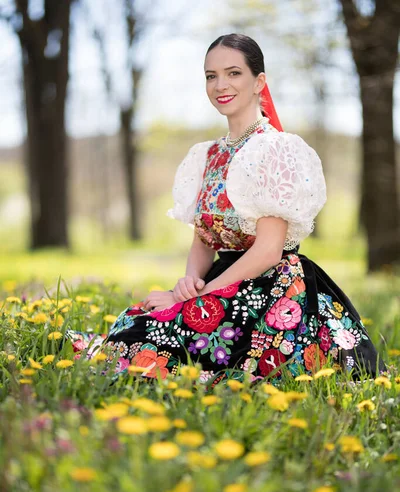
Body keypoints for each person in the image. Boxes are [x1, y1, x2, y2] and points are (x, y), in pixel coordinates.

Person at [65, 33, 385, 386]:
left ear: (258, 82)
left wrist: (200, 296)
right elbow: (203, 242)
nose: (221, 85)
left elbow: (267, 251)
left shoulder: (275, 149)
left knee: (155, 346)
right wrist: (188, 283)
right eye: (211, 76)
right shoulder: (207, 156)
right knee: (135, 323)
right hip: (221, 281)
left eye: (233, 73)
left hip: (270, 288)